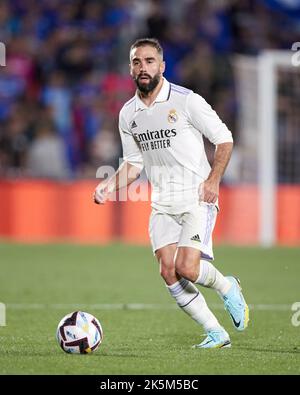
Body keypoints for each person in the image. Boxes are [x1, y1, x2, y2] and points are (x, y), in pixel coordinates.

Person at [93, 38, 249, 348]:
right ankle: (216, 333)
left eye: (150, 61)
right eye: (137, 62)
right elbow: (134, 166)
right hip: (162, 203)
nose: (144, 67)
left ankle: (228, 286)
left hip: (196, 197)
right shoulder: (128, 115)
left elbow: (224, 139)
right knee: (168, 271)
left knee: (187, 268)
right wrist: (109, 185)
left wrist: (214, 180)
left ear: (162, 66)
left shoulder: (187, 101)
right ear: (130, 68)